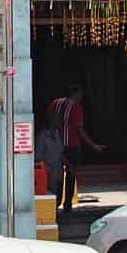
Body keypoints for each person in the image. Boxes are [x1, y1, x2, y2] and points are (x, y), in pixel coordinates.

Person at [49, 84, 105, 213]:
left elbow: (49, 121)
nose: (81, 98)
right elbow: (79, 129)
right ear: (76, 94)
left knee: (56, 174)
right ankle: (67, 204)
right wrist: (93, 145)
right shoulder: (76, 107)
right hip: (71, 145)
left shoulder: (55, 103)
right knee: (71, 173)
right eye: (80, 95)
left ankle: (55, 202)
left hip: (56, 144)